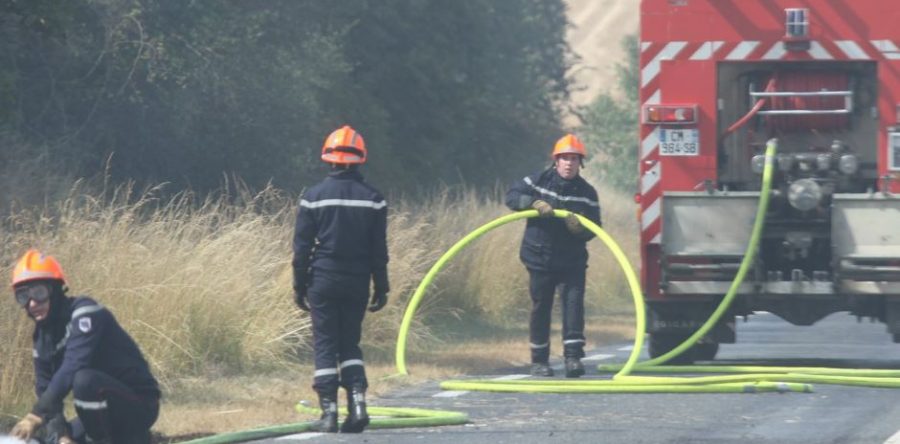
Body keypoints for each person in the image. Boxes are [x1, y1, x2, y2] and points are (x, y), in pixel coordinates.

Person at [293, 125, 389, 433]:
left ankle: (329, 413)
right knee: (350, 343)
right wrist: (381, 285)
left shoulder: (313, 198)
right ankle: (358, 404)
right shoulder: (374, 199)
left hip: (323, 279)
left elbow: (302, 248)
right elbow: (379, 249)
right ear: (361, 158)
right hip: (358, 280)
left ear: (328, 159)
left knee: (325, 344)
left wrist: (299, 284)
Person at [10, 249, 160, 444]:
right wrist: (61, 435)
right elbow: (44, 388)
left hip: (139, 405)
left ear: (55, 289)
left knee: (83, 380)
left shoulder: (85, 311)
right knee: (47, 439)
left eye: (38, 293)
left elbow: (75, 364)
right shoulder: (42, 338)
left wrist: (35, 415)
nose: (32, 304)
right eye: (23, 297)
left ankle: (125, 438)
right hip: (102, 410)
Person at [504, 134, 601, 378]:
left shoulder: (587, 193)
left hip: (572, 261)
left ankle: (573, 359)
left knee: (573, 306)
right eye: (564, 158)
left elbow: (596, 227)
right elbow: (512, 197)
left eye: (574, 159)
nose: (569, 163)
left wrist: (581, 230)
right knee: (541, 306)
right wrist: (532, 203)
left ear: (581, 163)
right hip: (539, 257)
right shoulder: (536, 181)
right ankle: (539, 361)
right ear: (555, 160)